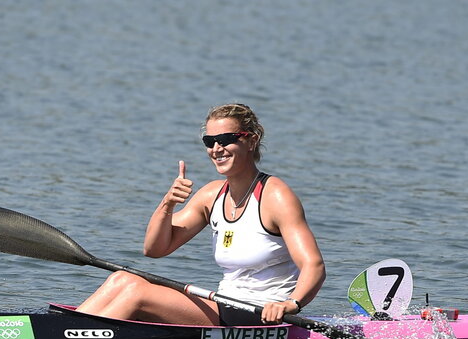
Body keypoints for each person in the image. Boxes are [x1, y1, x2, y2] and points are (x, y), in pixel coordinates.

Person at [76, 103, 326, 326]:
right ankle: (65, 329)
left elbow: (313, 265)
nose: (217, 148)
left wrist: (291, 304)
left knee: (137, 293)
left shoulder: (276, 196)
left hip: (261, 314)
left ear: (251, 141)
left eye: (226, 139)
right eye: (209, 141)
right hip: (224, 304)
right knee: (122, 279)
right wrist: (167, 204)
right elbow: (155, 249)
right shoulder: (211, 195)